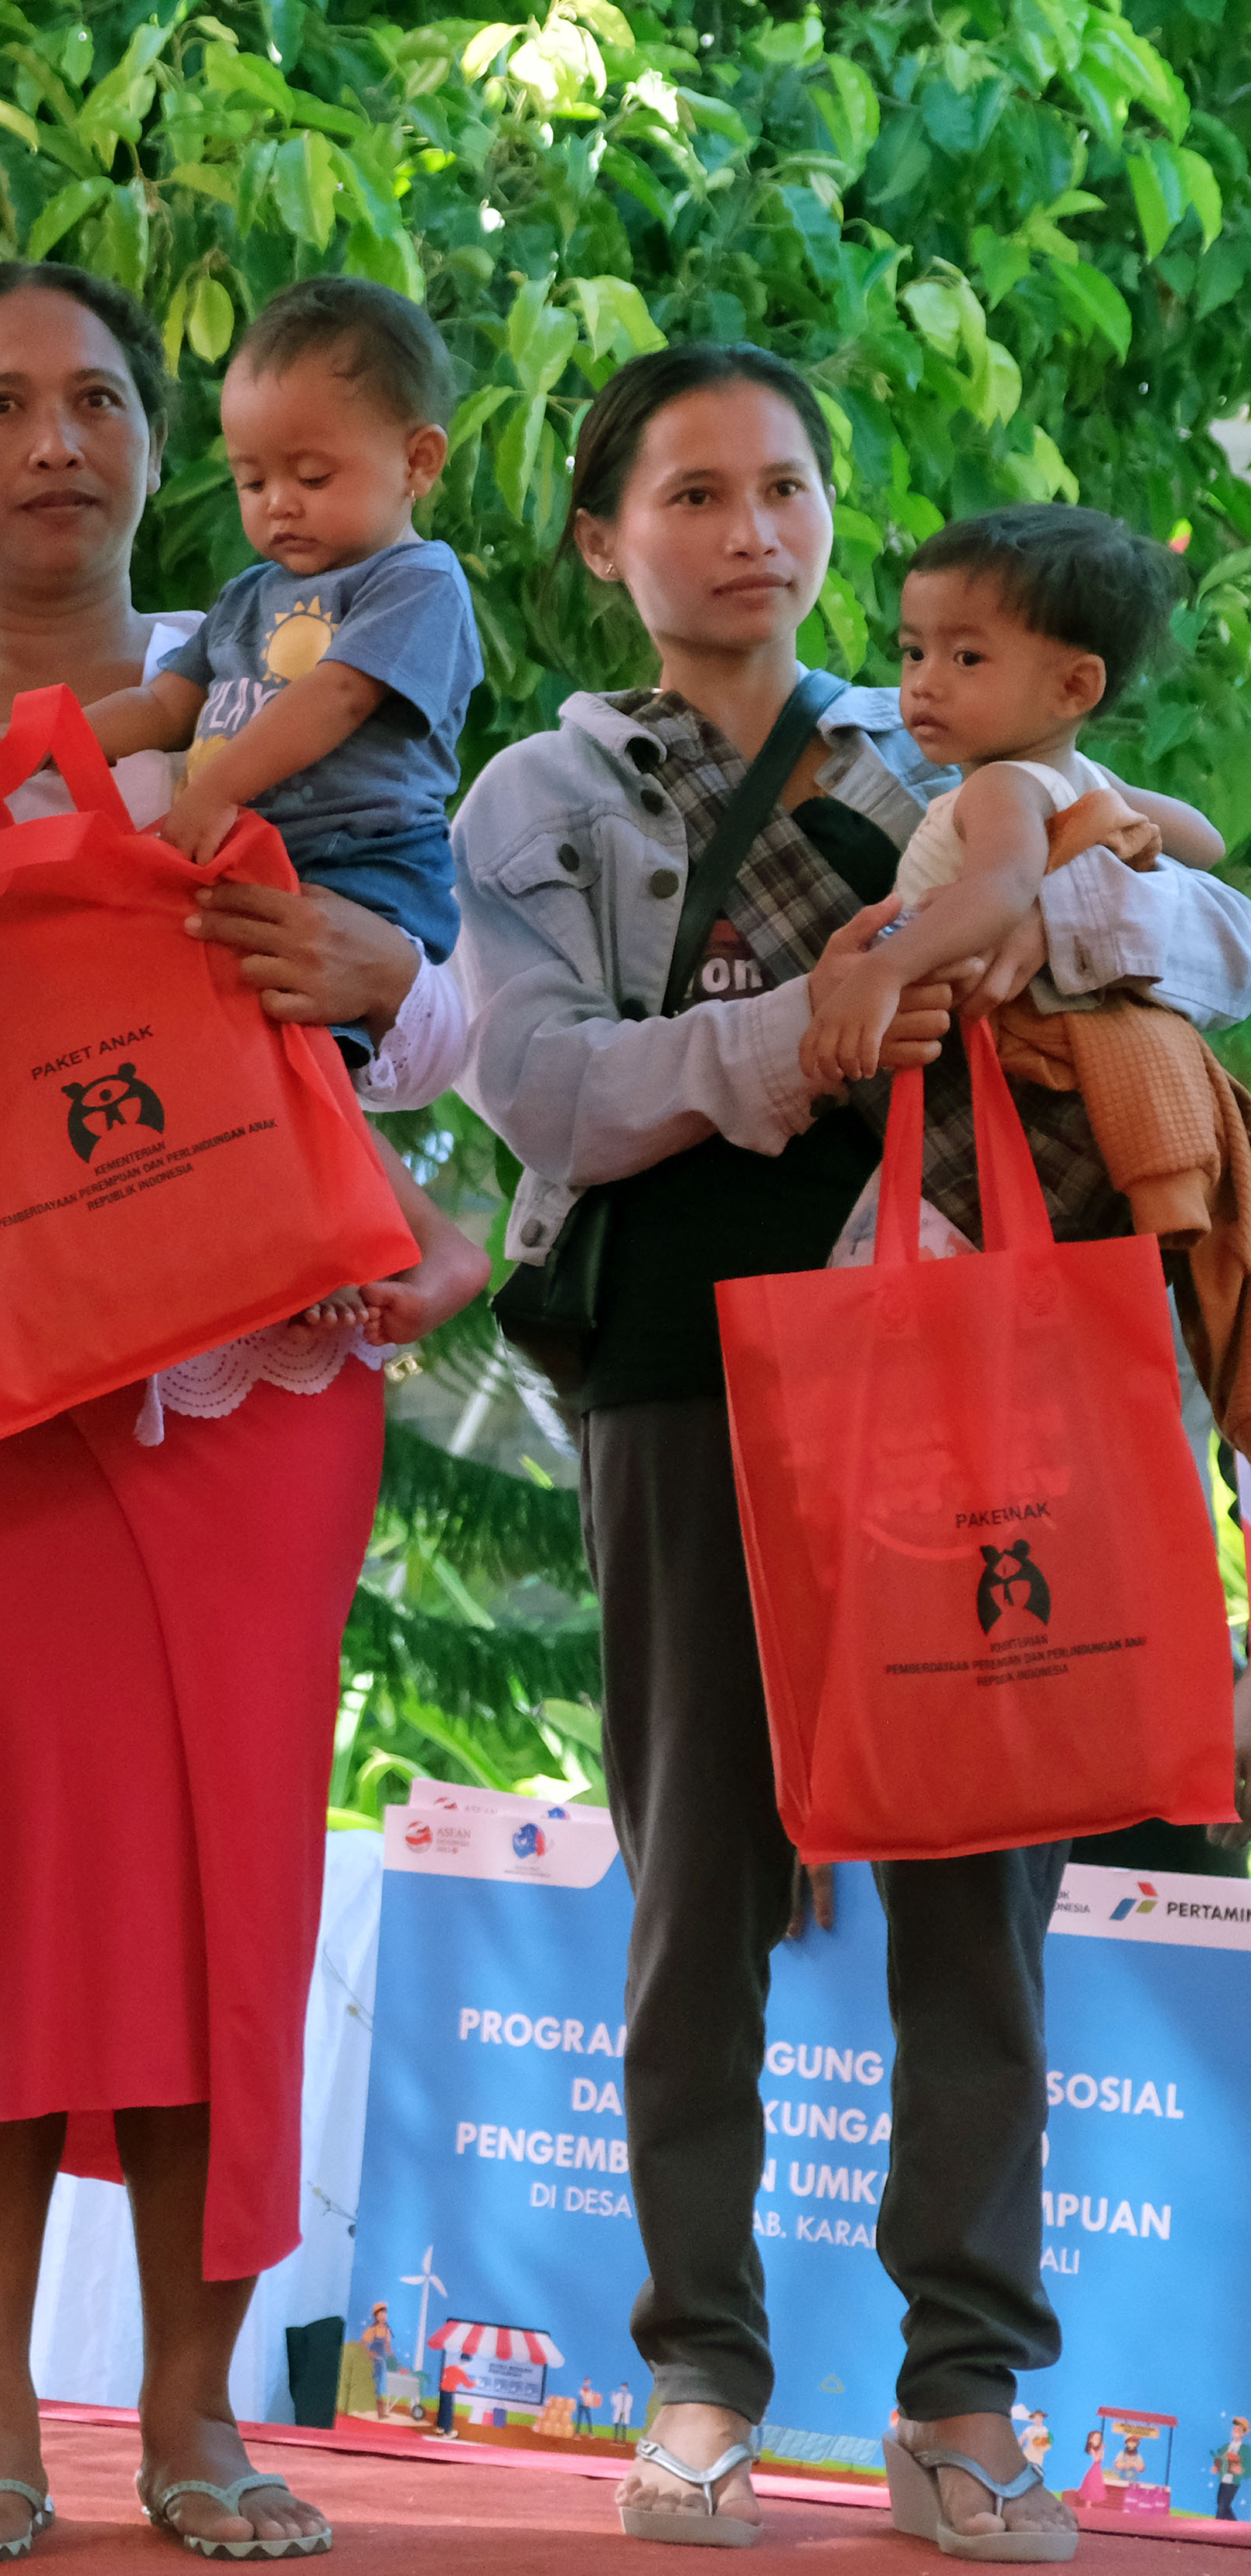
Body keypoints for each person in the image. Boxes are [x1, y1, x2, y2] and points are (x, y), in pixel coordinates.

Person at [453, 338, 1251, 2557]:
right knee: (697, 1870)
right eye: (693, 493)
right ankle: (702, 2368)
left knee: (977, 1884)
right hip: (684, 1366)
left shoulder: (955, 734)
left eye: (787, 485)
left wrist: (1016, 919)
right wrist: (805, 1029)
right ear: (606, 534)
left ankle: (963, 2388)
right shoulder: (545, 789)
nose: (754, 531)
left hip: (955, 1361)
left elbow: (1209, 936)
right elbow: (540, 1088)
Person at [0, 258, 486, 2567]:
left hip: (249, 1377)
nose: (55, 438)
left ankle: (192, 2413)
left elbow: (449, 1001)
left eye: (97, 395)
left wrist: (378, 968)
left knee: (227, 1887)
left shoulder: (299, 648)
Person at [804, 509, 1248, 1400]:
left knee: (903, 1365)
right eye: (911, 652)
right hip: (1056, 1102)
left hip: (986, 1093)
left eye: (966, 658)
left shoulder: (999, 787)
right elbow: (1198, 838)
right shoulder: (1076, 778)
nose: (923, 684)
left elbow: (998, 893)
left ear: (1073, 686)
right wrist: (1115, 813)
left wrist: (884, 971)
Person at [0, 277, 474, 972]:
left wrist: (218, 790)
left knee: (300, 1029)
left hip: (360, 867)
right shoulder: (250, 595)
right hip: (243, 856)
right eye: (253, 482)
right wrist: (35, 742)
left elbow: (337, 695)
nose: (279, 504)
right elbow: (162, 707)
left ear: (417, 462)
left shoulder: (416, 583)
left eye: (311, 477)